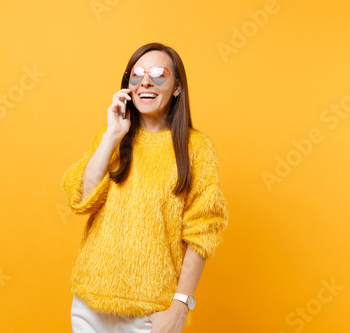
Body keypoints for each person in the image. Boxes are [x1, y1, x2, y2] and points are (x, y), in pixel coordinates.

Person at [61, 42, 229, 333]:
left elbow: (203, 232)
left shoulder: (196, 148)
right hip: (90, 304)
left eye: (158, 74)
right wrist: (113, 134)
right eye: (136, 75)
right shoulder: (110, 136)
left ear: (177, 87)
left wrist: (180, 305)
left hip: (152, 312)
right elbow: (82, 199)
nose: (145, 82)